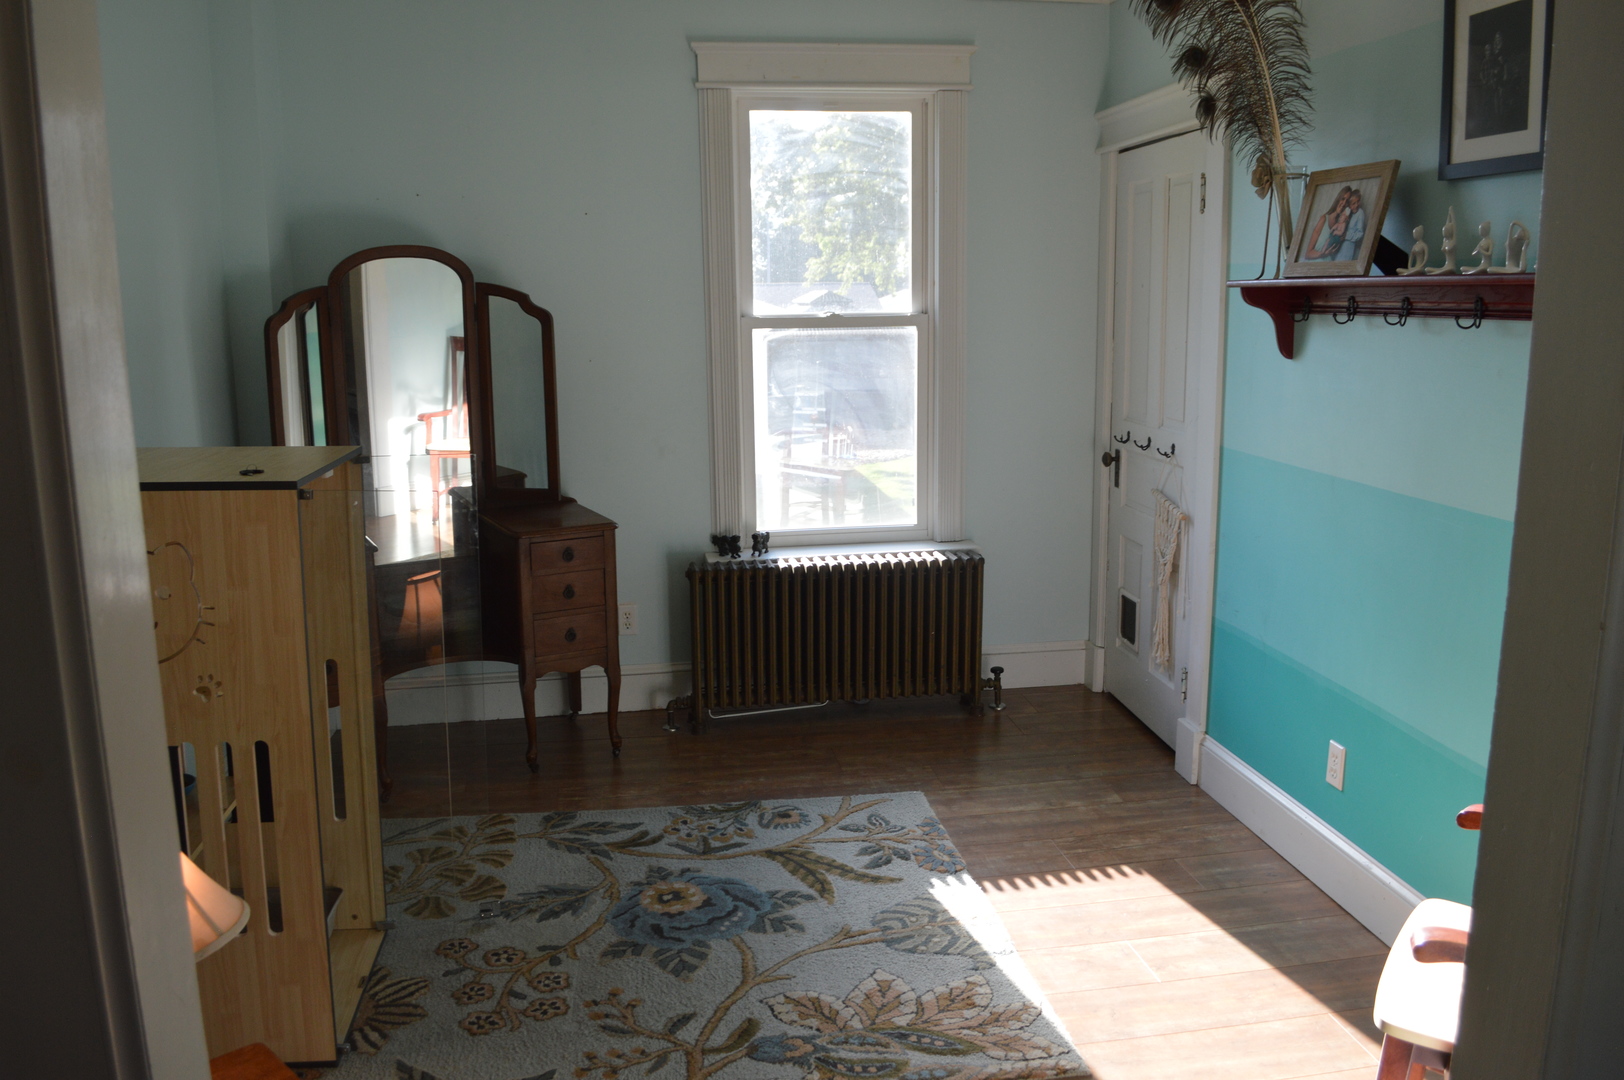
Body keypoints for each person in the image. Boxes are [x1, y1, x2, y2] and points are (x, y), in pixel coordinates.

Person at [1304, 187, 1352, 260]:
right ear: (1338, 199)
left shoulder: (1343, 227)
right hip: (1315, 265)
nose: (1344, 203)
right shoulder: (1324, 219)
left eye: (1347, 201)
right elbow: (1308, 254)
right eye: (1343, 199)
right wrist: (1322, 254)